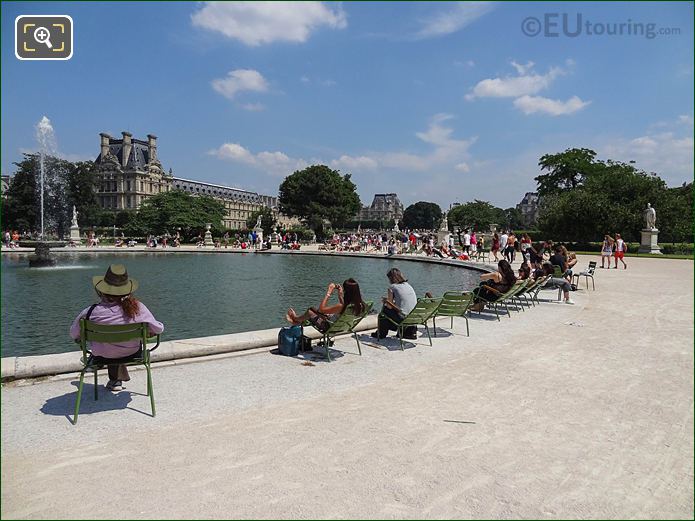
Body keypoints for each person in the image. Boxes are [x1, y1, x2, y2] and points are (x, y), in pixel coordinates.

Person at [69, 264, 164, 391]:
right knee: (120, 344)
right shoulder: (138, 308)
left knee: (110, 345)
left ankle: (106, 373)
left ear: (102, 289)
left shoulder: (90, 312)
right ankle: (115, 381)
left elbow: (74, 334)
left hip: (101, 355)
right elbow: (158, 329)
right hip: (131, 353)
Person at [286, 279, 366, 334]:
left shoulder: (341, 306)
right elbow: (342, 308)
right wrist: (340, 296)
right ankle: (297, 321)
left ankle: (296, 319)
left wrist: (329, 292)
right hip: (345, 326)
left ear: (346, 291)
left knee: (311, 311)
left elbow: (321, 310)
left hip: (328, 327)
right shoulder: (360, 304)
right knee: (314, 310)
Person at [372, 268, 418, 340]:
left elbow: (389, 307)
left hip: (403, 318)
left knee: (384, 311)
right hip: (414, 317)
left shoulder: (392, 287)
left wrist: (386, 301)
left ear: (391, 278)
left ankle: (381, 334)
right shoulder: (408, 285)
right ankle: (407, 331)